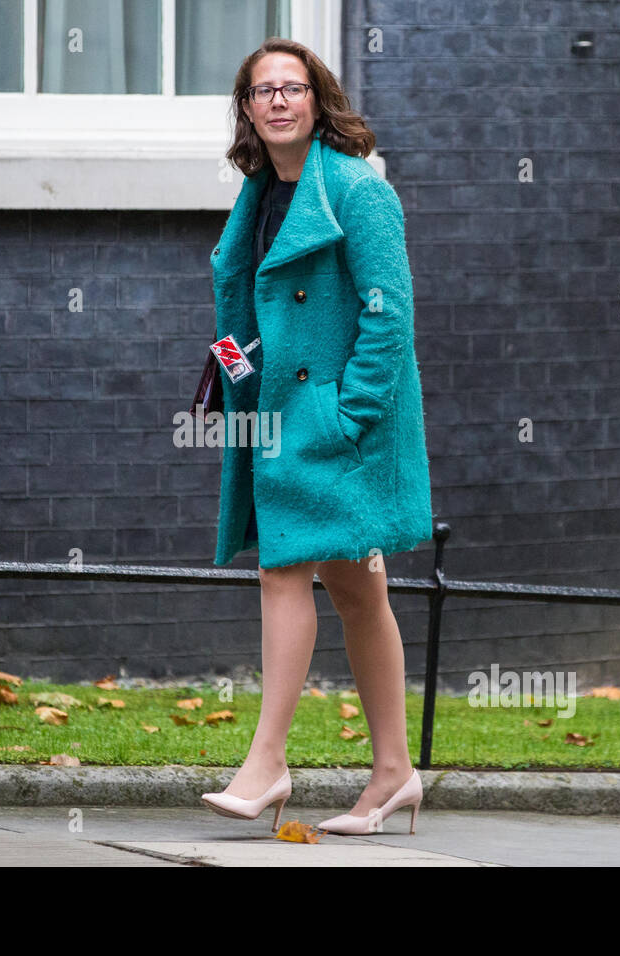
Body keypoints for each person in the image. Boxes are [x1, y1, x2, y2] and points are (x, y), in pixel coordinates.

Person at [200, 38, 432, 835]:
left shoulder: (358, 191)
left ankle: (266, 763)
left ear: (317, 99)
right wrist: (233, 375)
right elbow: (244, 308)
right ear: (247, 110)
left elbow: (388, 313)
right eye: (260, 91)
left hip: (333, 425)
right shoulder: (261, 193)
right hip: (276, 417)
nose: (276, 101)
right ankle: (396, 773)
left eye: (290, 88)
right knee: (360, 592)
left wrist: (350, 414)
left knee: (281, 570)